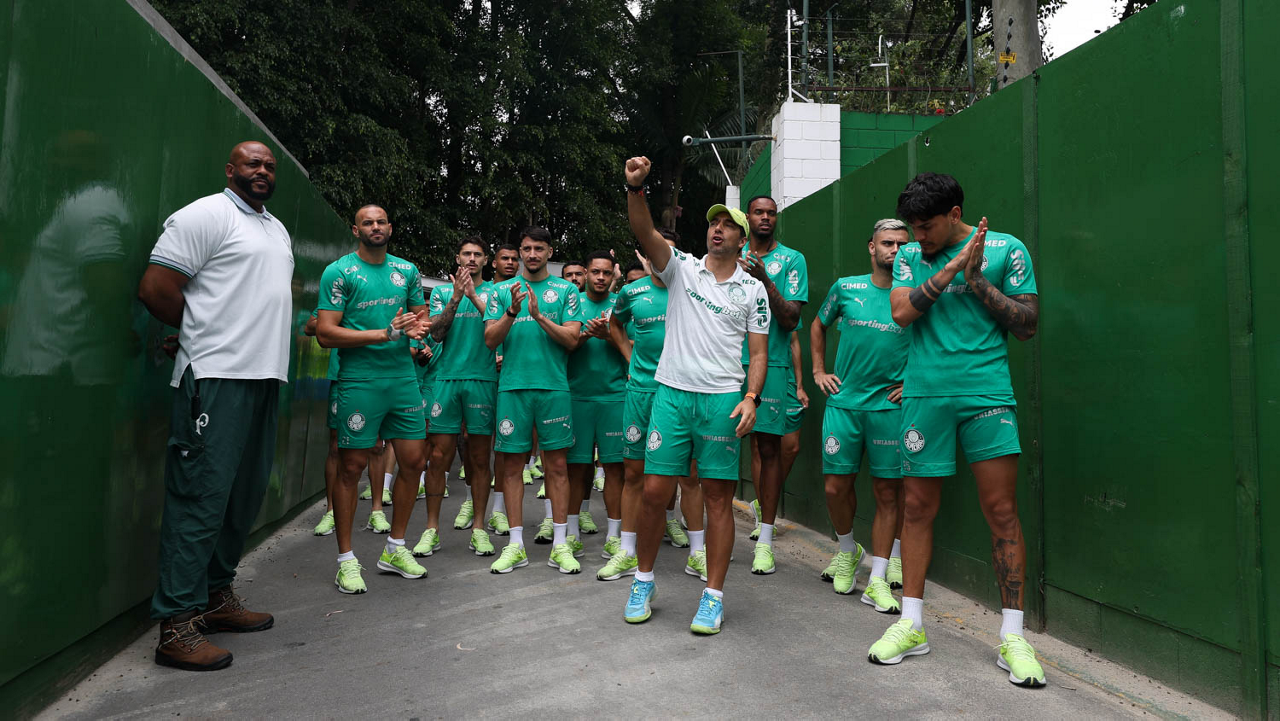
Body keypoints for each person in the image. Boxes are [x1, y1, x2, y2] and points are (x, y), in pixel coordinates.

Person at [869, 172, 1044, 688]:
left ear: (955, 214)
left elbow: (1028, 323)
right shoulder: (910, 256)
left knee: (1002, 511)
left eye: (927, 227)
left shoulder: (1007, 248)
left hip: (986, 395)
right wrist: (948, 271)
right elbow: (901, 313)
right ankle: (911, 624)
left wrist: (979, 280)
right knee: (917, 508)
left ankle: (1013, 636)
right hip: (924, 397)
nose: (917, 237)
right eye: (912, 228)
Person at [137, 141, 293, 671]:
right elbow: (157, 287)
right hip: (215, 379)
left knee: (241, 498)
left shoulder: (275, 228)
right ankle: (177, 625)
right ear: (230, 169)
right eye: (253, 163)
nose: (262, 171)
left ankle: (217, 599)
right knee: (199, 500)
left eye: (270, 166)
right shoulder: (206, 214)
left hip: (263, 377)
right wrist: (193, 332)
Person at [621, 156, 768, 635]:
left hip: (722, 401)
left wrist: (751, 397)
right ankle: (643, 580)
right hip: (672, 396)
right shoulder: (681, 270)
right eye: (714, 224)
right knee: (654, 492)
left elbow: (759, 353)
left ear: (742, 239)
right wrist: (636, 189)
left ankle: (713, 596)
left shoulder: (752, 291)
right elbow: (645, 235)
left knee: (719, 501)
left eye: (728, 225)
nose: (718, 230)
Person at [316, 204, 431, 594]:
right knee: (351, 468)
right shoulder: (339, 272)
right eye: (368, 222)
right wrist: (383, 334)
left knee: (414, 461)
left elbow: (420, 316)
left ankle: (395, 548)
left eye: (381, 221)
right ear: (356, 229)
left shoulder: (408, 270)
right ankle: (346, 560)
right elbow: (326, 333)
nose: (376, 227)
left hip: (403, 380)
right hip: (360, 380)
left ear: (390, 227)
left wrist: (419, 327)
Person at [810, 219, 910, 612]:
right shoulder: (846, 288)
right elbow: (817, 325)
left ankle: (879, 577)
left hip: (890, 407)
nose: (895, 250)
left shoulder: (915, 294)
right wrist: (818, 371)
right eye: (888, 243)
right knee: (836, 487)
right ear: (872, 247)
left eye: (903, 244)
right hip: (845, 405)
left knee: (888, 493)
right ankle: (848, 549)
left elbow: (933, 340)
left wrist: (914, 381)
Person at [483, 227, 585, 574]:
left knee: (556, 466)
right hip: (512, 388)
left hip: (554, 388)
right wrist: (512, 312)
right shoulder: (500, 291)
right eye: (525, 248)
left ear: (549, 251)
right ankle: (515, 545)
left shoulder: (567, 290)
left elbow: (572, 339)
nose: (531, 254)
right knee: (510, 467)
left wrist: (540, 316)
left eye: (538, 248)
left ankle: (560, 545)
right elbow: (489, 341)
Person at [737, 195, 808, 575]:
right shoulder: (731, 254)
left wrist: (764, 278)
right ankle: (699, 540)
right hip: (725, 366)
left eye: (771, 213)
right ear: (747, 218)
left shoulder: (791, 260)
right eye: (758, 213)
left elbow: (791, 319)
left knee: (770, 448)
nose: (765, 218)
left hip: (772, 364)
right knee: (710, 446)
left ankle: (765, 538)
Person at [419, 238, 498, 559]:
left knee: (479, 459)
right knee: (438, 457)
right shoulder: (440, 292)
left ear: (486, 261)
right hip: (447, 380)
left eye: (478, 254)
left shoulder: (497, 292)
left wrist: (475, 297)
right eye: (466, 254)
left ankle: (479, 528)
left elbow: (495, 327)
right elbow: (435, 334)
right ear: (457, 258)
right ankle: (431, 530)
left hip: (482, 379)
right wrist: (454, 298)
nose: (471, 259)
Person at [564, 250, 628, 569]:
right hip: (576, 396)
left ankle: (614, 535)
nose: (600, 277)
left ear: (611, 274)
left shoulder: (622, 302)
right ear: (585, 274)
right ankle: (571, 533)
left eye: (605, 272)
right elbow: (562, 343)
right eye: (594, 272)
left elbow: (633, 348)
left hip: (615, 396)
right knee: (577, 469)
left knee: (615, 468)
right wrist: (585, 335)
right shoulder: (571, 301)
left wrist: (610, 335)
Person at [484, 242, 520, 533]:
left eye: (513, 259)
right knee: (483, 449)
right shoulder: (494, 292)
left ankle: (498, 511)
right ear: (492, 263)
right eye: (504, 258)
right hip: (483, 379)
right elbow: (490, 337)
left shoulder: (526, 289)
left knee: (509, 452)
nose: (510, 262)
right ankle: (478, 507)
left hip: (517, 381)